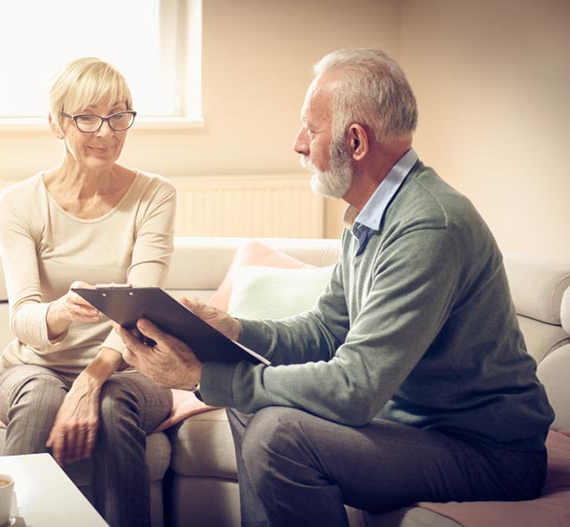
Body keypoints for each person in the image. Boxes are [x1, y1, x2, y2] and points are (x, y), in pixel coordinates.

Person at [116, 48, 555, 526]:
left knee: (277, 432)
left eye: (311, 128)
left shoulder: (429, 226)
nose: (298, 143)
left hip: (487, 452)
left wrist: (203, 378)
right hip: (415, 429)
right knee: (248, 398)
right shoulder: (371, 215)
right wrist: (233, 331)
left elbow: (356, 387)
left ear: (356, 141)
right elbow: (327, 330)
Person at [0, 57, 175, 527]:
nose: (107, 132)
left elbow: (141, 307)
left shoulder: (155, 195)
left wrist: (91, 382)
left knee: (113, 403)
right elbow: (23, 318)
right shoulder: (17, 203)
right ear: (55, 124)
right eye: (87, 117)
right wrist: (63, 312)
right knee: (39, 399)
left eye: (119, 115)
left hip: (134, 368)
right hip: (34, 369)